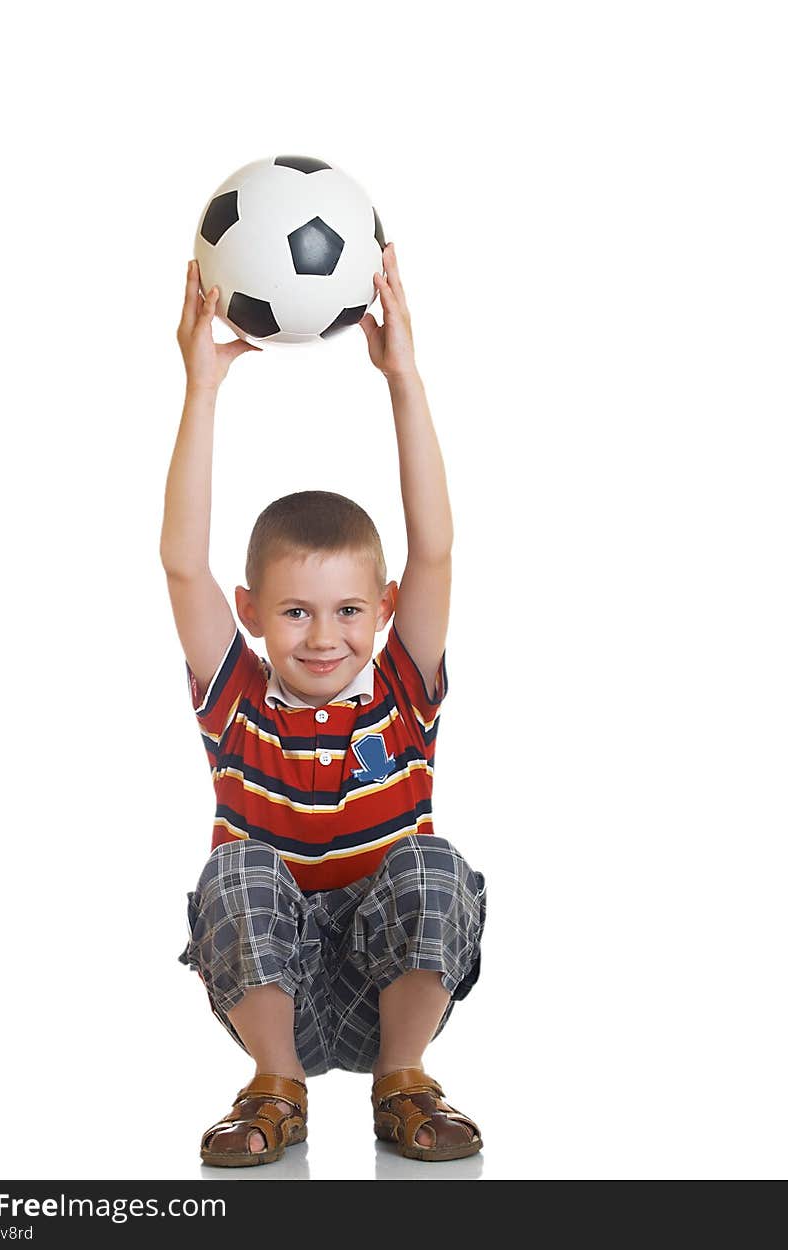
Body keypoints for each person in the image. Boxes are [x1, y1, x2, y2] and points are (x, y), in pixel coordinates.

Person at [160, 244, 487, 1166]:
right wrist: (203, 389)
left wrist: (404, 378)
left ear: (382, 611)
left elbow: (435, 552)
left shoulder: (400, 691)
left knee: (431, 861)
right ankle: (274, 1091)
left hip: (388, 988)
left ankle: (405, 1083)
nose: (322, 636)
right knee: (237, 872)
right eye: (295, 612)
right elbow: (182, 561)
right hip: (280, 989)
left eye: (348, 611)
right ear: (251, 613)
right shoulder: (236, 701)